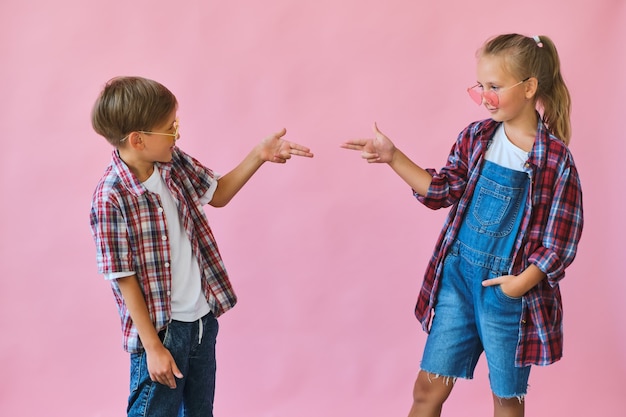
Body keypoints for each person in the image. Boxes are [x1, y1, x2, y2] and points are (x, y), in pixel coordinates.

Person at [341, 34, 583, 417]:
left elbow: (560, 241)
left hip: (508, 295)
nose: (485, 96)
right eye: (480, 87)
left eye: (495, 87)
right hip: (458, 282)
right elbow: (440, 190)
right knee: (427, 388)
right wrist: (393, 157)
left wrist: (518, 285)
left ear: (529, 87)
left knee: (507, 400)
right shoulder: (476, 137)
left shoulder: (555, 159)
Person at [89, 76, 313, 417]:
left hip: (201, 322)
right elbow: (123, 276)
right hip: (163, 333)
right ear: (138, 139)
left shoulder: (172, 162)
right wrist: (152, 347)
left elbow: (218, 193)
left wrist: (259, 155)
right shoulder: (111, 196)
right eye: (169, 128)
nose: (177, 134)